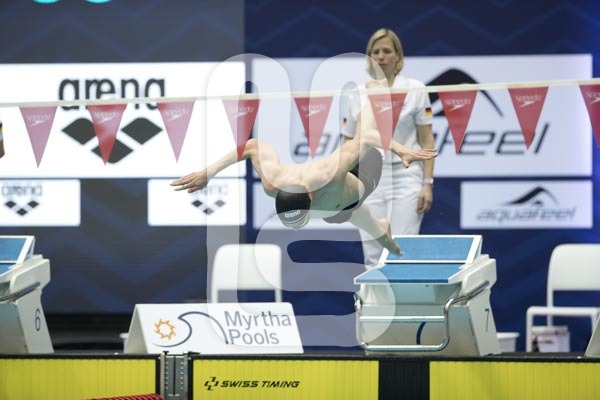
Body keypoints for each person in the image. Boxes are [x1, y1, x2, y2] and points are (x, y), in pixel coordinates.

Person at [171, 128, 437, 256]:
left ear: (311, 200)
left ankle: (384, 234)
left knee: (385, 242)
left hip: (360, 186)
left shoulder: (329, 173)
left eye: (301, 221)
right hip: (337, 206)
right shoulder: (272, 183)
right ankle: (381, 229)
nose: (299, 228)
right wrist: (208, 172)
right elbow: (252, 146)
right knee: (371, 229)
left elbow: (367, 136)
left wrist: (402, 150)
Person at [341, 28, 436, 268]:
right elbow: (349, 144)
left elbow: (427, 141)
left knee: (402, 249)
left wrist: (427, 183)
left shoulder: (415, 90)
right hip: (369, 177)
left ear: (398, 56)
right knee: (373, 253)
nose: (381, 56)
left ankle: (404, 295)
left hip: (407, 176)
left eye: (386, 51)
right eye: (375, 52)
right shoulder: (357, 94)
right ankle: (372, 295)